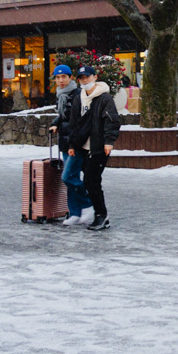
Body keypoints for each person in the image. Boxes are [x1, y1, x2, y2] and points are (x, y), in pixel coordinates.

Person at [65, 64, 120, 230]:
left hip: (99, 147)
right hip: (83, 147)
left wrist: (108, 142)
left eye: (87, 77)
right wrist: (73, 144)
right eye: (81, 78)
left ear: (95, 77)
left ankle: (101, 215)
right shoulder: (79, 98)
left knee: (91, 180)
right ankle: (99, 214)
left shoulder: (104, 98)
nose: (84, 81)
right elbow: (74, 123)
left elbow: (112, 121)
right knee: (90, 181)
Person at [47, 63, 90, 225]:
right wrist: (56, 123)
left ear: (71, 77)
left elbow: (78, 120)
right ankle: (74, 213)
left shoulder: (78, 94)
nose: (60, 80)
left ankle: (88, 205)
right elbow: (64, 116)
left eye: (64, 77)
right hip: (65, 142)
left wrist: (75, 142)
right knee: (72, 177)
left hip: (76, 143)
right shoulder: (62, 95)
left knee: (67, 177)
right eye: (57, 78)